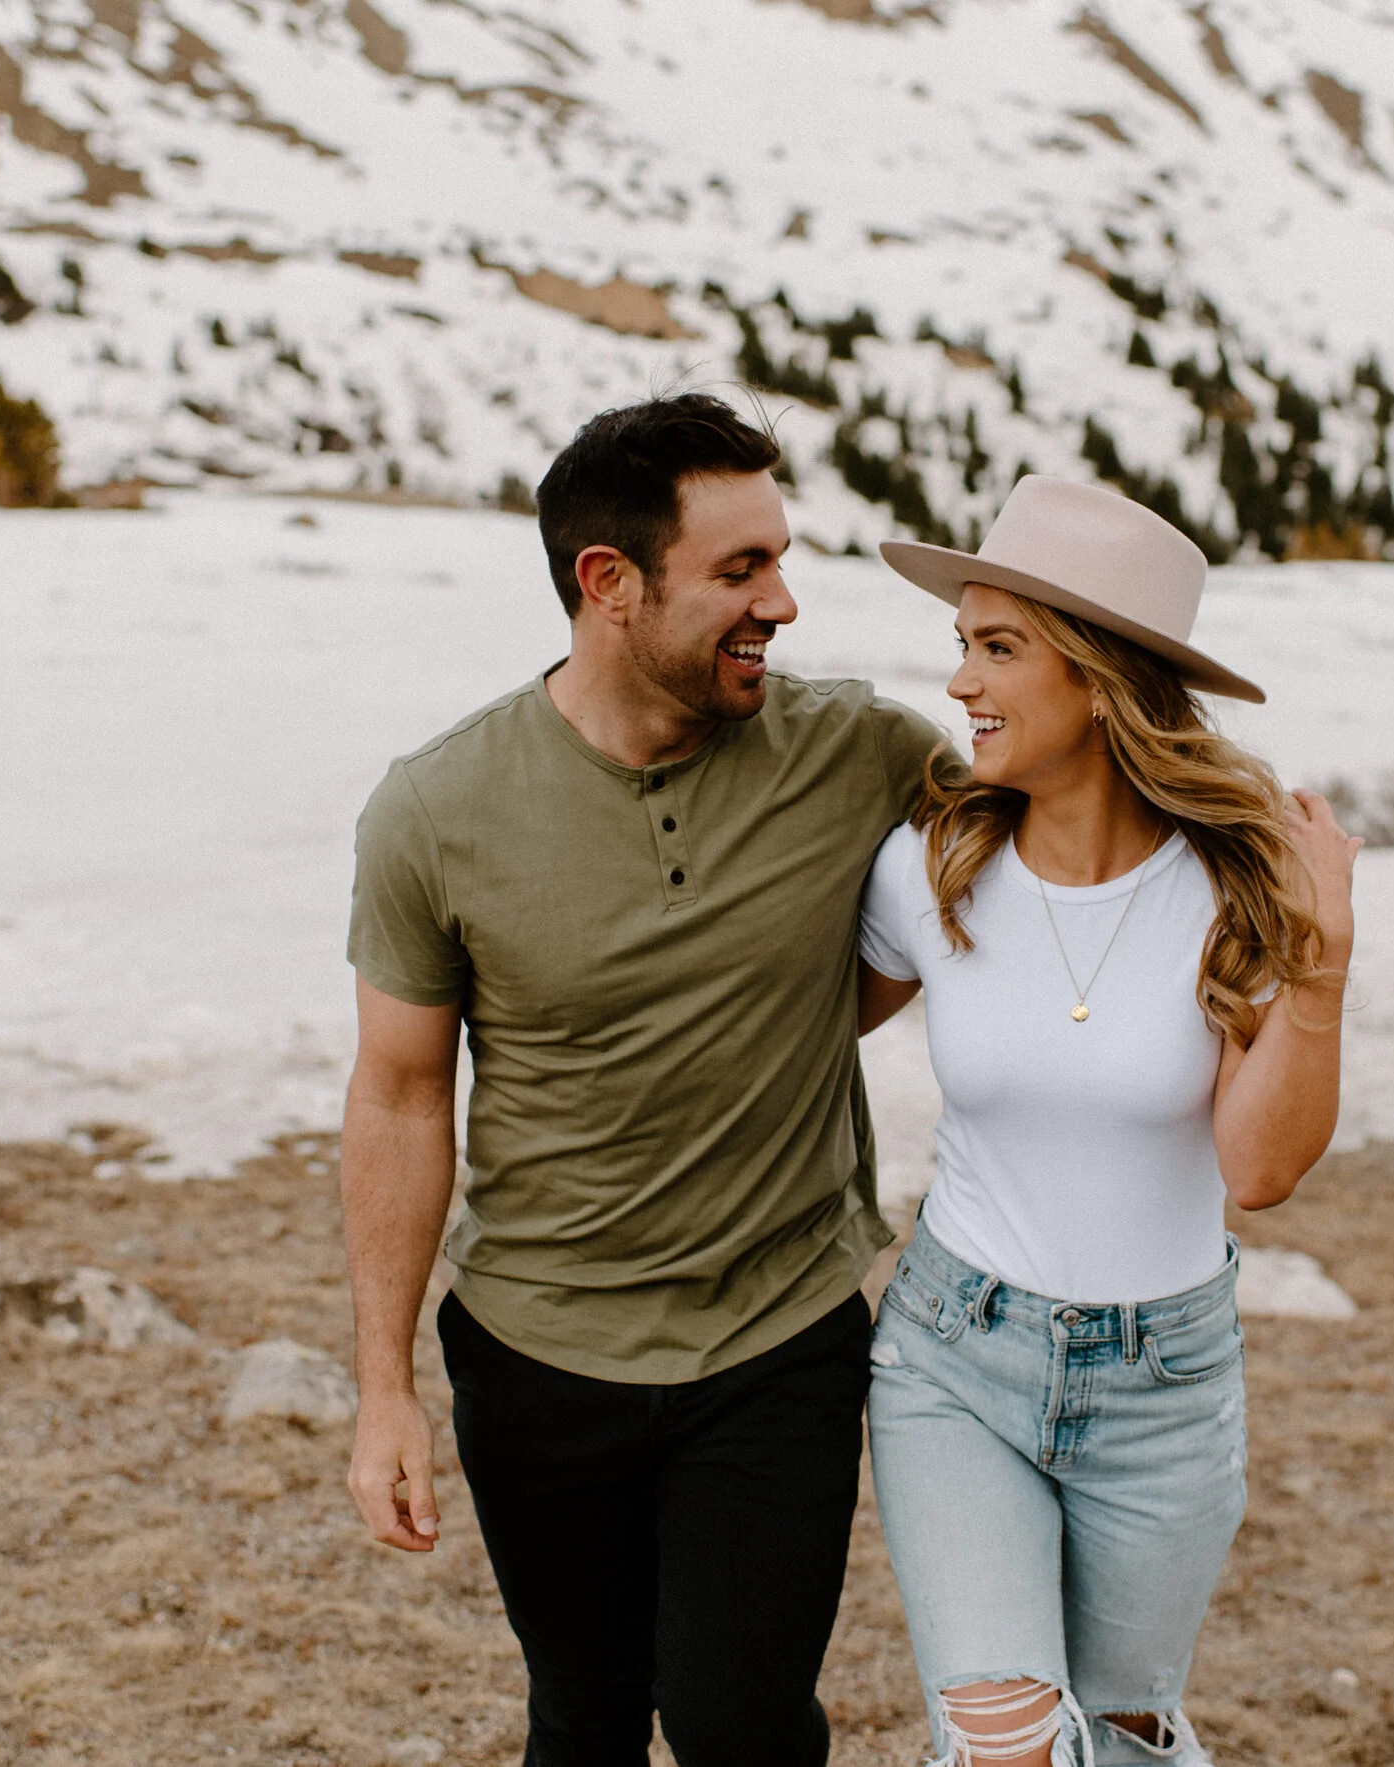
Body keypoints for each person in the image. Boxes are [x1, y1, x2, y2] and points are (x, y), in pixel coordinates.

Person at [339, 393, 949, 1767]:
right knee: (587, 1719)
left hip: (776, 1343)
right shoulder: (436, 810)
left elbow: (1031, 826)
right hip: (536, 1354)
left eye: (781, 560)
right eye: (740, 571)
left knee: (742, 1726)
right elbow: (396, 1095)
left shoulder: (861, 754)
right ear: (608, 585)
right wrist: (385, 1388)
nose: (783, 604)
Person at [854, 475, 1362, 1766]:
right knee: (1005, 1741)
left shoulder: (1240, 887)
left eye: (1000, 646)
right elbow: (777, 1033)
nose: (962, 682)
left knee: (1125, 1739)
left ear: (1101, 676)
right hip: (953, 1359)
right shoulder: (930, 869)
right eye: (961, 643)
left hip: (1165, 1389)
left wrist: (1321, 965)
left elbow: (1260, 1167)